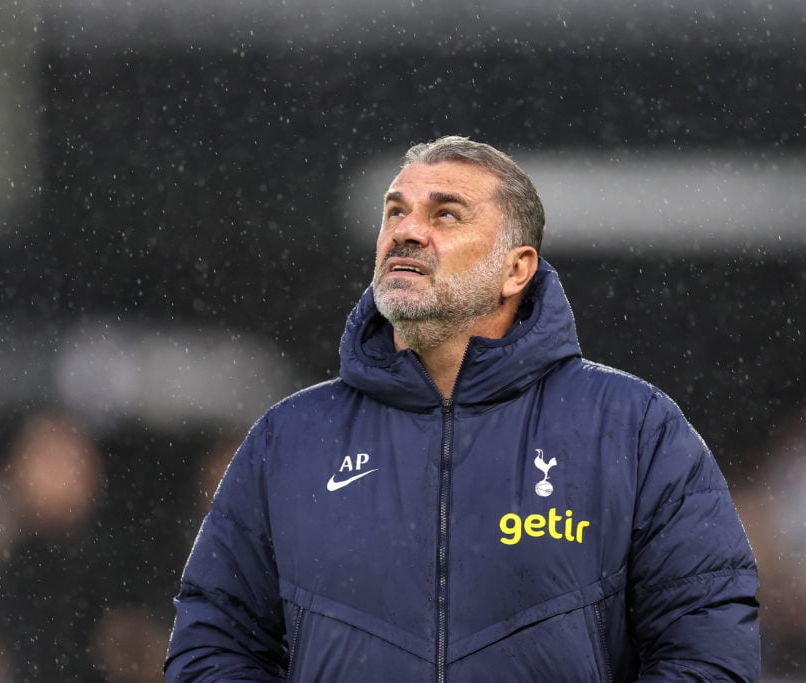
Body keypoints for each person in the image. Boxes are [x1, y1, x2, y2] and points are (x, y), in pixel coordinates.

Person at [164, 136, 760, 681]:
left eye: (445, 214)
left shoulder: (636, 430)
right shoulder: (288, 438)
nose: (407, 231)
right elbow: (213, 649)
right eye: (395, 211)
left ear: (516, 269)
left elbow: (710, 657)